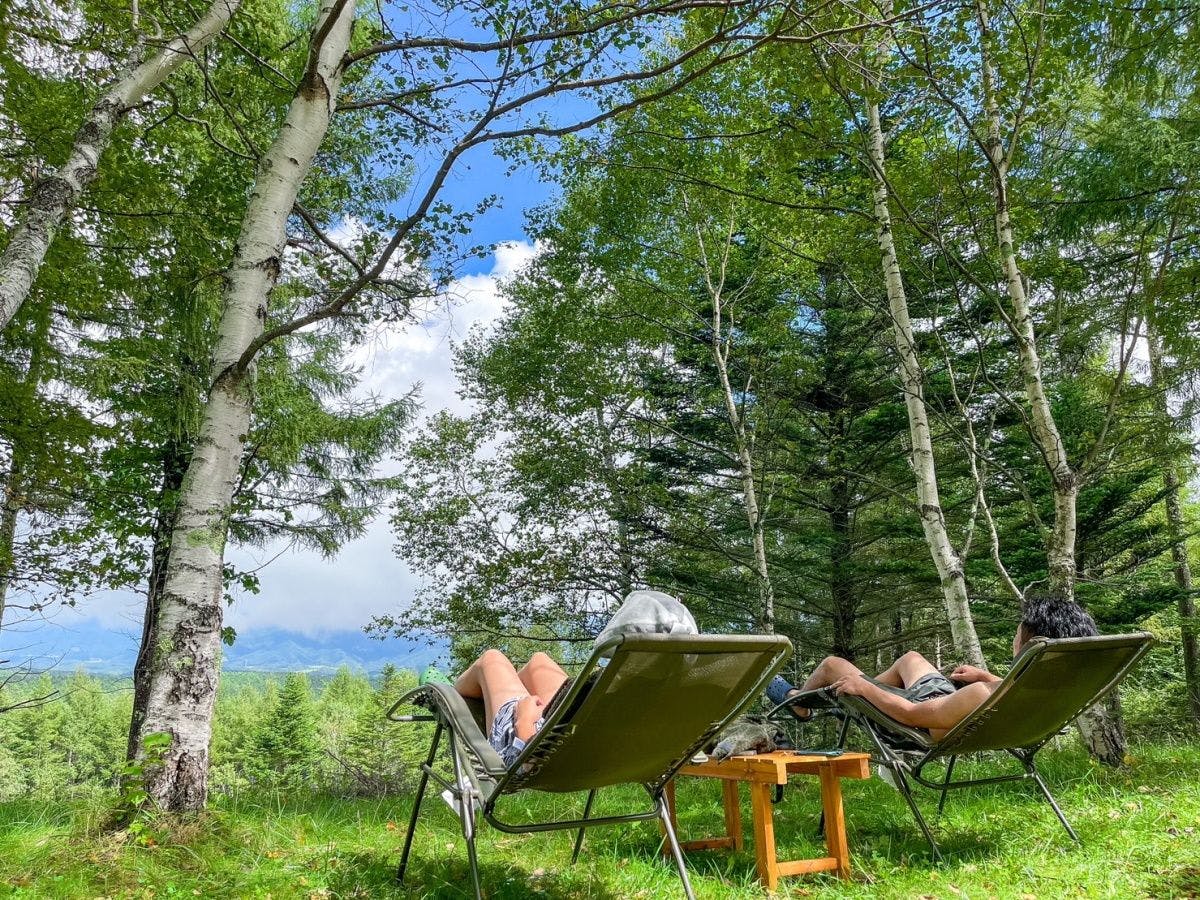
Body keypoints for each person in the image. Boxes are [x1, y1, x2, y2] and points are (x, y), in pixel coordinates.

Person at [768, 597, 1099, 741]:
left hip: (920, 720)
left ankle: (802, 700)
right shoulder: (1046, 688)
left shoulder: (980, 696)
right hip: (948, 708)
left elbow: (912, 715)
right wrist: (985, 676)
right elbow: (1003, 692)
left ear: (1030, 642)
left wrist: (865, 690)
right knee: (910, 658)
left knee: (833, 666)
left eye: (1019, 628)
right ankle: (844, 702)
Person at [453, 649, 569, 768]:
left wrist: (524, 723)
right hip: (573, 727)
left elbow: (528, 765)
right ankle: (499, 689)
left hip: (535, 746)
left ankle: (456, 691)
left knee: (492, 659)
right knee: (539, 660)